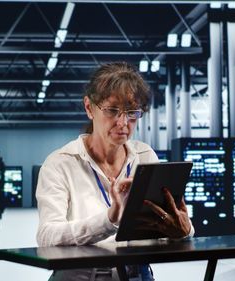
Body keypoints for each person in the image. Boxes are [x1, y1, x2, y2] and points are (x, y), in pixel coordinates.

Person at [36, 62, 194, 281]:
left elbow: (164, 227)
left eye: (132, 113)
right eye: (112, 110)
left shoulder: (145, 158)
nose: (123, 123)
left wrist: (183, 231)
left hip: (136, 275)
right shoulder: (60, 164)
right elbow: (47, 237)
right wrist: (108, 220)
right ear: (89, 108)